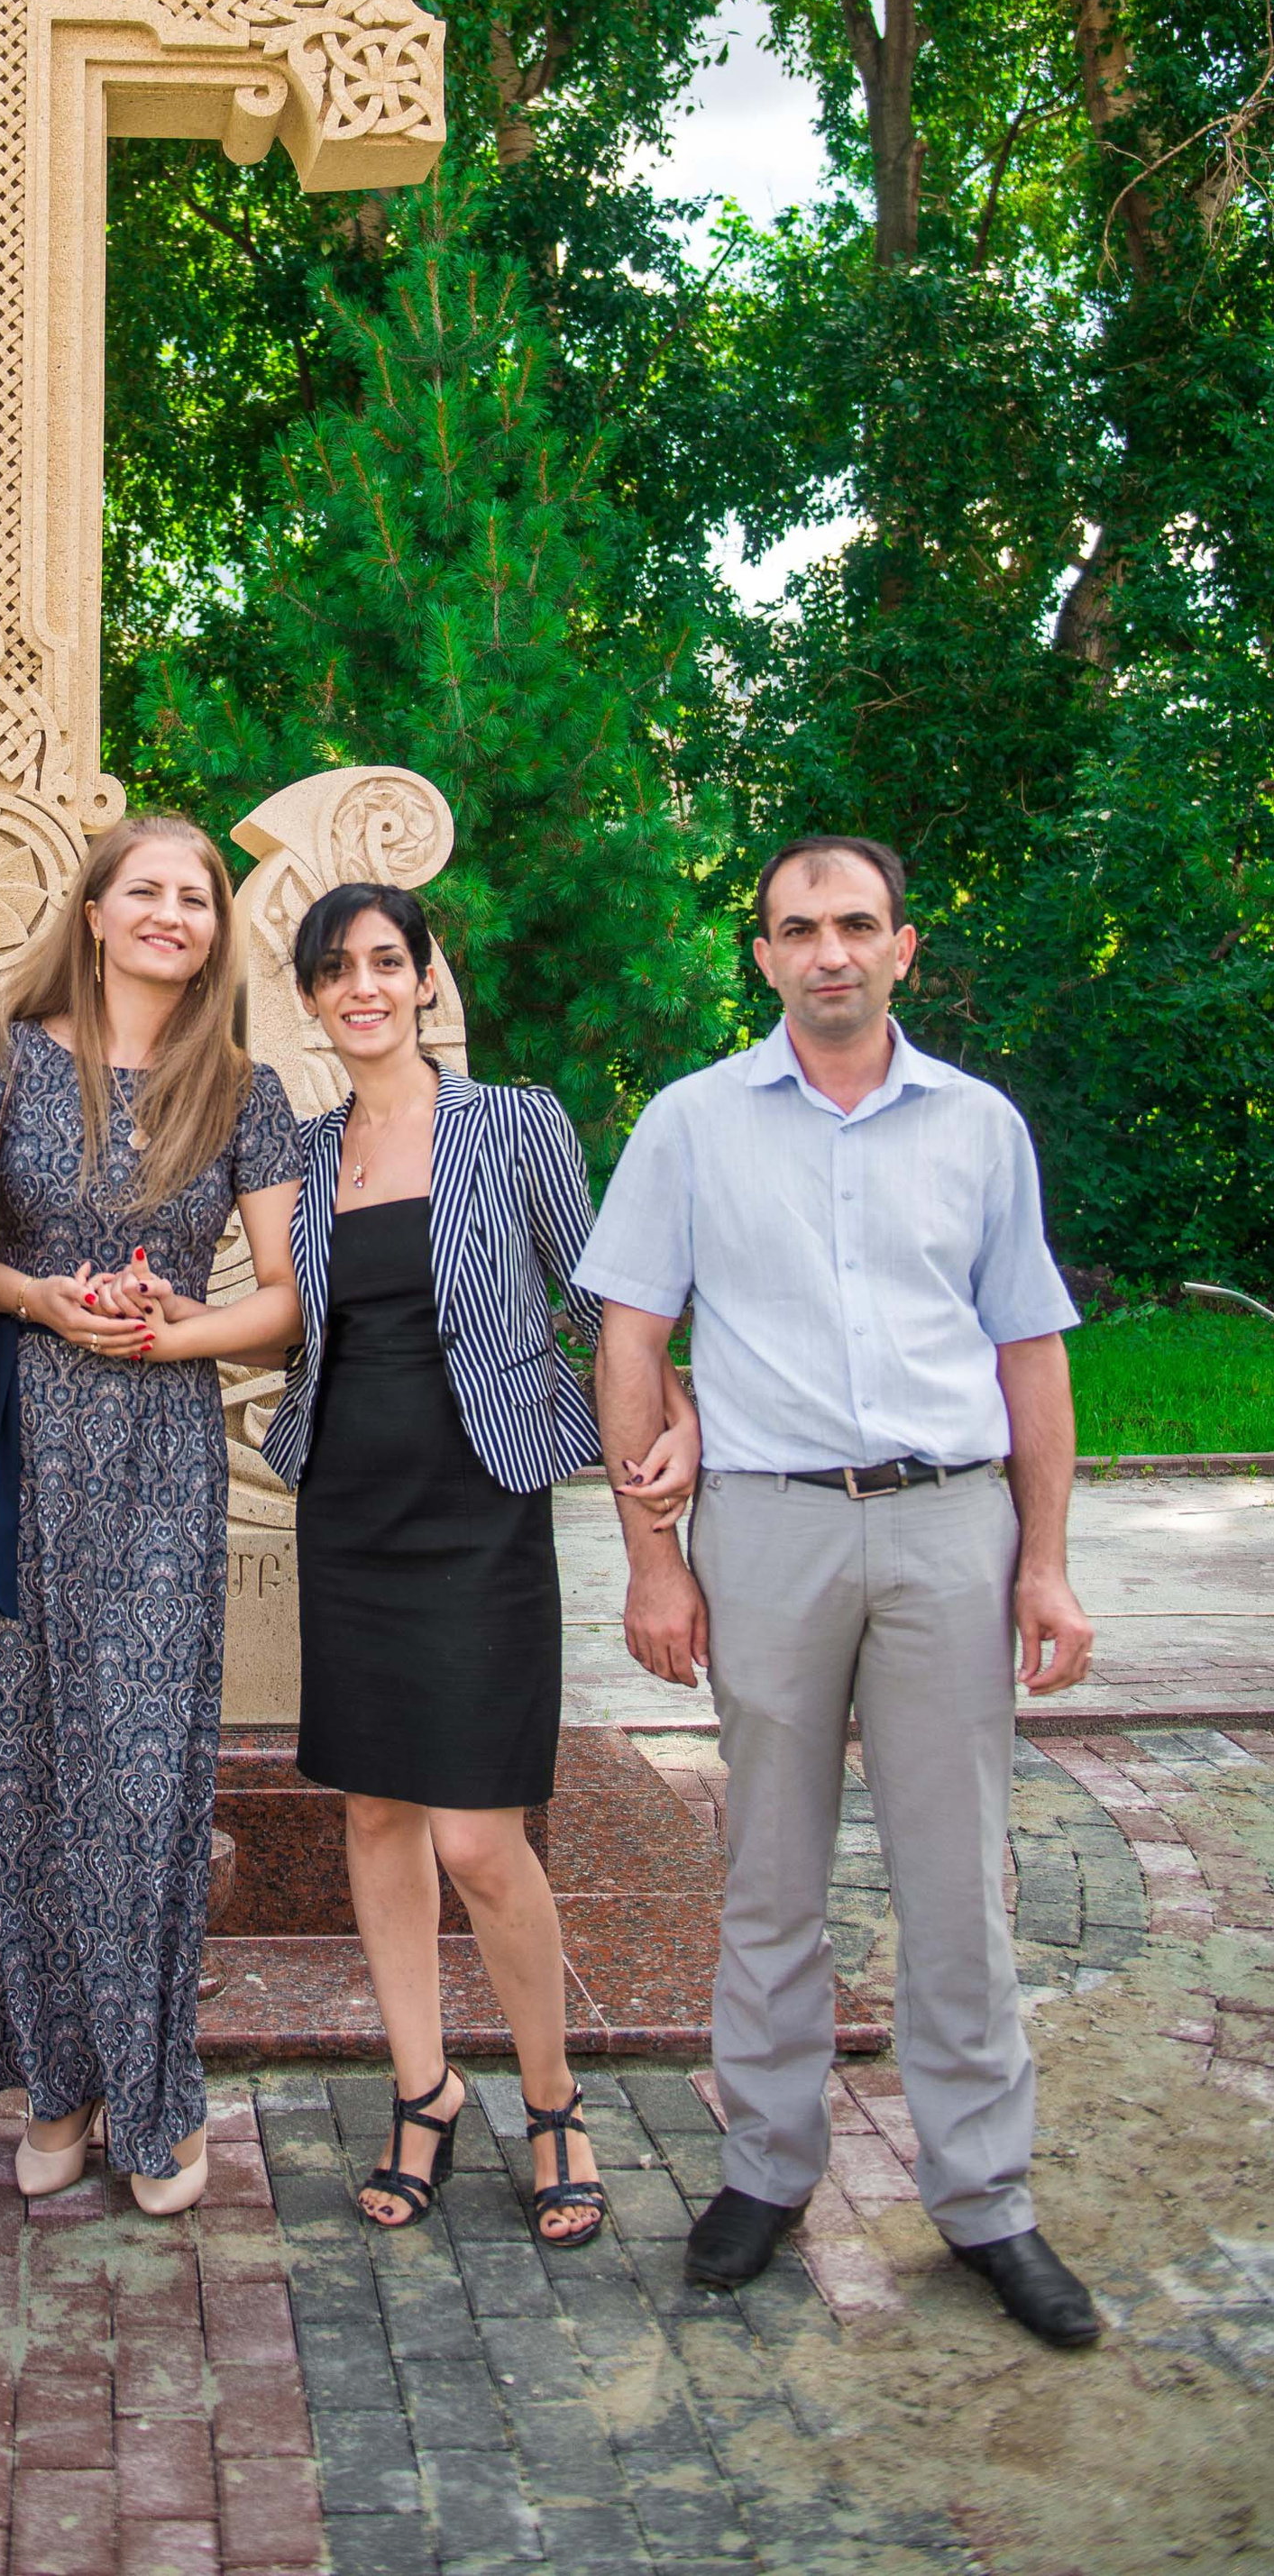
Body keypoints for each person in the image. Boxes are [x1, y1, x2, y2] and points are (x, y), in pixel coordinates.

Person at [577, 834, 1101, 2349]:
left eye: (857, 924)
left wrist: (1048, 1561)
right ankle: (765, 2170)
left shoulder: (980, 1127)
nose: (830, 951)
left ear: (904, 947)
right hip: (772, 1532)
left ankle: (988, 2200)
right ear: (762, 956)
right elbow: (629, 1339)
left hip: (951, 1529)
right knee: (772, 1874)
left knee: (960, 1886)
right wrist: (655, 1560)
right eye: (798, 928)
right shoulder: (691, 1124)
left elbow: (1032, 1353)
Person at [256, 883, 697, 2243]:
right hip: (349, 1510)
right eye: (337, 970)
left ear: (429, 974)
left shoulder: (516, 1123)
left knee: (480, 1839)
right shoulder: (309, 1148)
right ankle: (422, 2086)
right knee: (377, 1816)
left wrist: (673, 1415)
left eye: (388, 960)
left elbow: (595, 1296)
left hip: (480, 1507)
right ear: (315, 998)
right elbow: (290, 1326)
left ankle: (552, 2098)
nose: (364, 987)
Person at [0, 817, 301, 2214]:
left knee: (137, 1767)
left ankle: (151, 2085)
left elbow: (290, 1300)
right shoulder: (2, 1053)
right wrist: (42, 1296)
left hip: (153, 1445)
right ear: (97, 906)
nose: (174, 913)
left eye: (198, 897)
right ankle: (50, 2083)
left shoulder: (242, 1085)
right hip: (2, 1426)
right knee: (2, 1759)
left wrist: (177, 1333)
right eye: (150, 890)